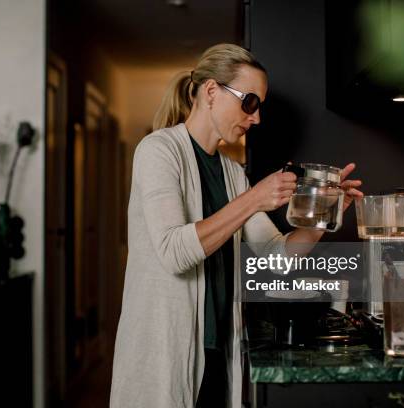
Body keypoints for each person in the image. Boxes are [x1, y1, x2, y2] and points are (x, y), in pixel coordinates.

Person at [109, 43, 363, 408]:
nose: (256, 118)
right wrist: (255, 199)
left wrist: (327, 211)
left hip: (216, 354)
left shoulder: (232, 174)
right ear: (211, 92)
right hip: (164, 353)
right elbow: (174, 252)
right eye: (250, 103)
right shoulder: (158, 151)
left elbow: (277, 257)